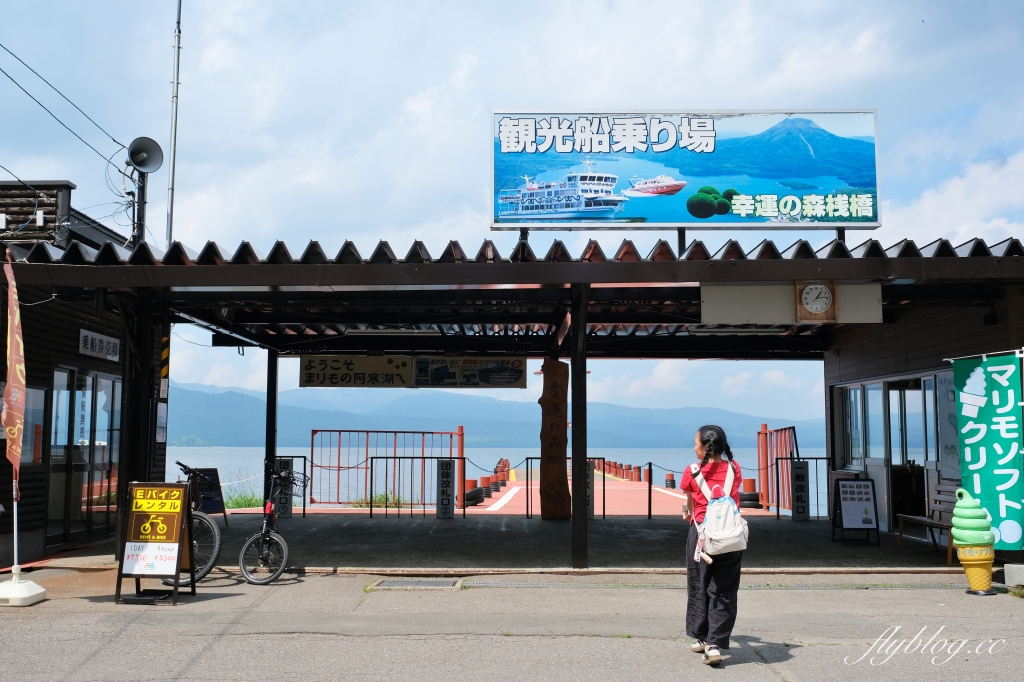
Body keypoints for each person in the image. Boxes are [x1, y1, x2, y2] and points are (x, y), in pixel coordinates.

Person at [680, 424, 743, 666]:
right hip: (730, 537)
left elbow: (690, 510)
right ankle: (715, 643)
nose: (694, 447)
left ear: (705, 446)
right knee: (724, 589)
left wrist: (686, 513)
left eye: (696, 443)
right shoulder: (734, 469)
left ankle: (701, 637)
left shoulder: (693, 471)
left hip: (702, 536)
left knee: (699, 584)